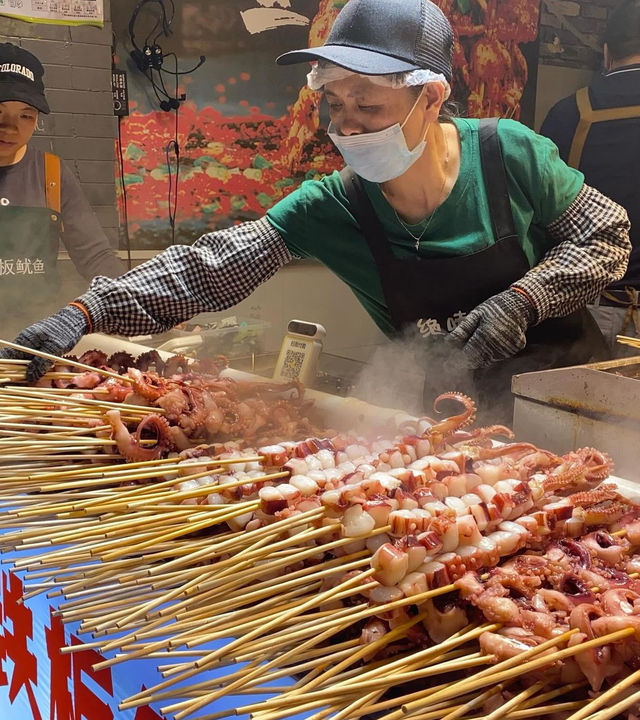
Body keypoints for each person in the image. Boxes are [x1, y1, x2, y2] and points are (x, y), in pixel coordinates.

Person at [0, 0, 631, 424]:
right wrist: (87, 311)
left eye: (369, 104)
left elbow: (607, 235)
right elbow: (205, 268)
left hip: (575, 403)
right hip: (453, 416)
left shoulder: (508, 152)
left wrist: (521, 302)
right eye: (334, 103)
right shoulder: (336, 203)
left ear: (431, 96)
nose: (347, 125)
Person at [0, 42, 124, 338]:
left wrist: (146, 297)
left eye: (25, 115)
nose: (9, 127)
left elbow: (95, 257)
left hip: (39, 338)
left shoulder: (52, 174)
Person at [540, 0, 640, 359]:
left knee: (571, 413)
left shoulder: (569, 113)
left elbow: (537, 222)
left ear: (607, 52)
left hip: (582, 312)